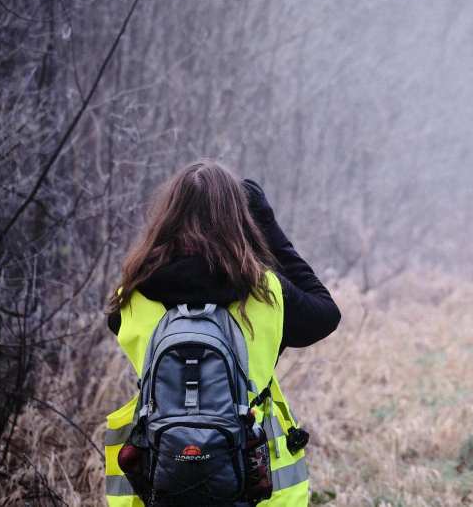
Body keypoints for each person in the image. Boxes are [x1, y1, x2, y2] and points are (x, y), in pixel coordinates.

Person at [102, 160, 340, 506]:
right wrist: (268, 225)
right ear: (240, 220)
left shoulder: (132, 296)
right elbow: (326, 314)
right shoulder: (266, 294)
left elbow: (116, 322)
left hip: (160, 478)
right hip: (259, 486)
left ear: (168, 217)